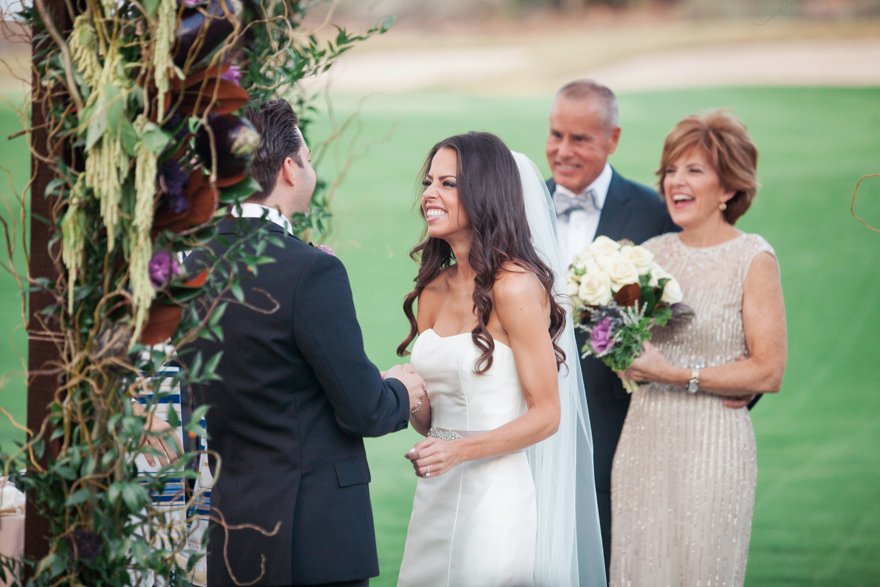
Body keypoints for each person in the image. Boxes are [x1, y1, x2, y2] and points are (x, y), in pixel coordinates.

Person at [185, 99, 426, 587]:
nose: (311, 170)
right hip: (315, 538)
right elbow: (364, 410)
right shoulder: (311, 270)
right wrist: (402, 390)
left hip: (233, 531)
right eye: (308, 159)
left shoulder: (193, 267)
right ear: (289, 169)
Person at [545, 80, 756, 577]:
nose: (563, 151)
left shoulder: (658, 212)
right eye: (555, 135)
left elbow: (707, 305)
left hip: (624, 434)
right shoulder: (516, 207)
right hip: (529, 428)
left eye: (580, 138)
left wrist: (738, 387)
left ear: (613, 138)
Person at [396, 132, 605, 587]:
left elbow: (547, 415)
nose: (429, 193)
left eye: (448, 183)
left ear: (484, 193)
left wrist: (459, 451)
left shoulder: (516, 287)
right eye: (429, 182)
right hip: (434, 495)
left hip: (494, 498)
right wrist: (407, 391)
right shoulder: (433, 289)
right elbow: (431, 423)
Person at [610, 110, 788, 586]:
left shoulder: (752, 258)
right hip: (644, 440)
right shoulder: (649, 255)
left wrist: (674, 374)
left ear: (728, 187)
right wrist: (622, 354)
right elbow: (625, 347)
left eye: (694, 170)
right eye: (671, 170)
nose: (676, 181)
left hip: (713, 445)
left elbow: (768, 372)